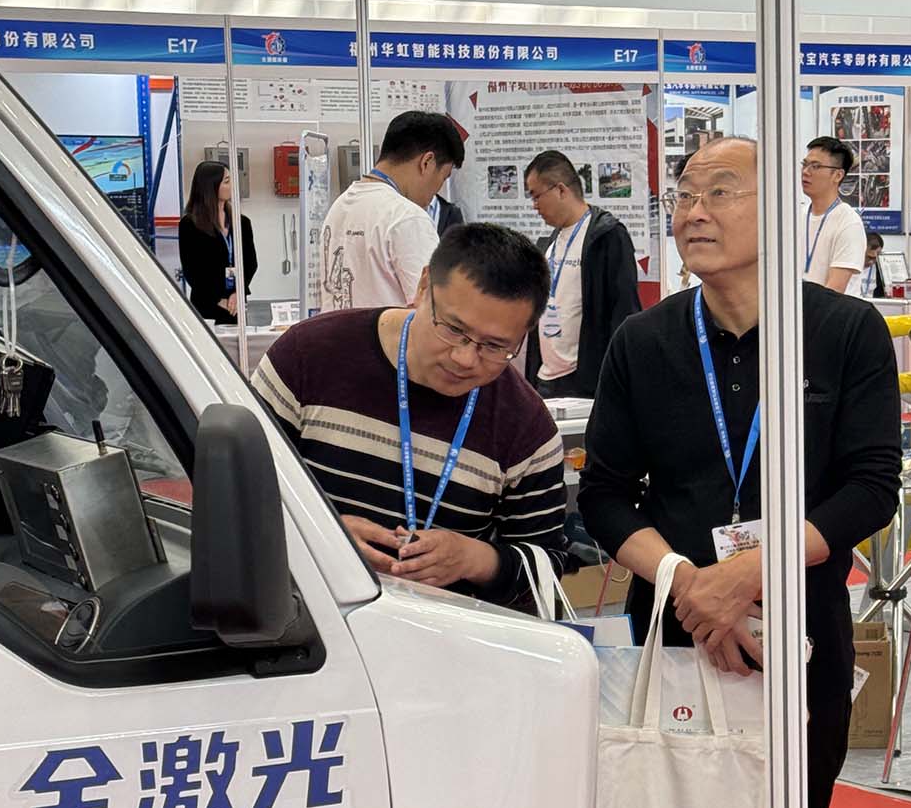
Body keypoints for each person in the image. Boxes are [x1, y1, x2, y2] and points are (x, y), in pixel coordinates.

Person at [579, 136, 901, 808]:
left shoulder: (843, 331)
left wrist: (752, 574)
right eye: (684, 193)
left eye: (721, 191)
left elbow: (871, 485)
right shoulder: (644, 340)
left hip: (797, 641)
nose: (693, 210)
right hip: (678, 641)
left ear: (778, 211)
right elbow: (605, 495)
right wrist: (687, 583)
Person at [253, 222, 566, 606]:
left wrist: (474, 559)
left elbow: (546, 569)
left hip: (439, 631)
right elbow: (233, 496)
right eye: (453, 329)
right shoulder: (308, 356)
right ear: (423, 288)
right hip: (302, 618)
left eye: (495, 346)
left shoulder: (527, 430)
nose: (465, 358)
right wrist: (319, 534)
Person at [521, 148, 641, 400]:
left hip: (584, 381)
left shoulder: (606, 235)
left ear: (561, 190)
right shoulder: (551, 242)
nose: (534, 206)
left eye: (536, 195)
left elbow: (624, 310)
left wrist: (614, 380)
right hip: (546, 377)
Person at [320, 111, 465, 313]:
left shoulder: (340, 206)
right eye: (444, 177)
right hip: (386, 335)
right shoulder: (407, 217)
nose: (437, 191)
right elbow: (436, 313)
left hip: (341, 333)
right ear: (427, 162)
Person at [178, 159, 256, 326]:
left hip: (235, 305)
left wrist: (238, 292)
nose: (232, 185)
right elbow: (192, 270)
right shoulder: (190, 224)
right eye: (227, 181)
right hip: (207, 305)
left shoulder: (241, 222)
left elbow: (250, 263)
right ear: (210, 186)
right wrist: (218, 299)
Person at [800, 135, 868, 295]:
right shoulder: (796, 217)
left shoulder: (849, 223)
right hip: (797, 308)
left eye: (815, 166)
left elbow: (835, 291)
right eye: (804, 164)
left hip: (831, 309)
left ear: (837, 175)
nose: (806, 172)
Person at [858, 230, 888, 299]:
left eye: (876, 258)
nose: (871, 262)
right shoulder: (850, 267)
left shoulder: (881, 270)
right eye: (869, 257)